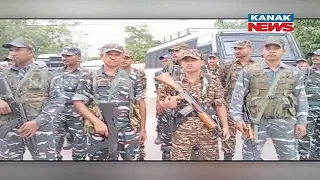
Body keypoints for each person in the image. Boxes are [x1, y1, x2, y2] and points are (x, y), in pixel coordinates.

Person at [230, 36, 308, 160]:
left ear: (283, 51)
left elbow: (301, 98)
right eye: (268, 48)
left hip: (285, 123)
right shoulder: (249, 71)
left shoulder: (294, 72)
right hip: (256, 122)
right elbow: (237, 97)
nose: (272, 51)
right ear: (262, 51)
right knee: (250, 158)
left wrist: (302, 121)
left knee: (289, 159)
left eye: (276, 48)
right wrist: (238, 119)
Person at [73, 43, 147, 160]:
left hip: (128, 129)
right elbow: (78, 102)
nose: (113, 57)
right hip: (100, 130)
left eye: (117, 54)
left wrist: (142, 129)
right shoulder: (89, 77)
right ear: (101, 56)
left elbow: (140, 102)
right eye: (109, 54)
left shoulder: (133, 77)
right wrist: (97, 122)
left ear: (122, 57)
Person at [0, 37, 65, 160]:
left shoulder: (48, 74)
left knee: (45, 165)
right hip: (8, 127)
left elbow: (58, 101)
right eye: (12, 50)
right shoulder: (3, 74)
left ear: (31, 52)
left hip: (40, 127)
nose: (13, 53)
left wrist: (37, 122)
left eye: (18, 49)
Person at [159, 49, 230, 160]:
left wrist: (225, 126)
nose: (189, 63)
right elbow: (161, 104)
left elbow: (220, 104)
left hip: (208, 131)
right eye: (186, 60)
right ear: (181, 63)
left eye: (193, 60)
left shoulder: (213, 81)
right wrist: (167, 105)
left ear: (202, 62)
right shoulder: (173, 82)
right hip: (181, 131)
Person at [216, 40, 255, 160]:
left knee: (252, 134)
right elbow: (217, 83)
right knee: (229, 135)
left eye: (240, 48)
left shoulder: (258, 65)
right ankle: (228, 157)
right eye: (235, 48)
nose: (237, 51)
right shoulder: (228, 66)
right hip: (230, 107)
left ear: (249, 49)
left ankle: (252, 157)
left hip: (251, 108)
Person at [53, 47, 89, 160]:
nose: (65, 58)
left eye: (69, 56)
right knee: (54, 145)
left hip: (77, 115)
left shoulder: (86, 74)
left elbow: (86, 95)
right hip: (58, 114)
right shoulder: (57, 73)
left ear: (78, 57)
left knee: (79, 146)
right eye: (63, 56)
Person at [120, 49, 147, 160]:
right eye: (122, 57)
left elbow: (141, 94)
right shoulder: (111, 73)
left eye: (127, 58)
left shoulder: (138, 74)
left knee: (136, 133)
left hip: (134, 108)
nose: (124, 60)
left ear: (133, 60)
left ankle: (140, 149)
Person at [154, 54, 173, 145]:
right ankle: (159, 135)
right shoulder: (158, 73)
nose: (164, 62)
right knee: (161, 117)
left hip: (174, 97)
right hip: (163, 96)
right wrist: (158, 102)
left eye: (166, 60)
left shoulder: (177, 71)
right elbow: (157, 87)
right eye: (163, 61)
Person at [305, 49, 320, 160]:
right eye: (313, 55)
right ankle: (302, 156)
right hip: (309, 108)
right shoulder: (306, 72)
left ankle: (315, 156)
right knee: (305, 134)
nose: (315, 57)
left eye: (318, 55)